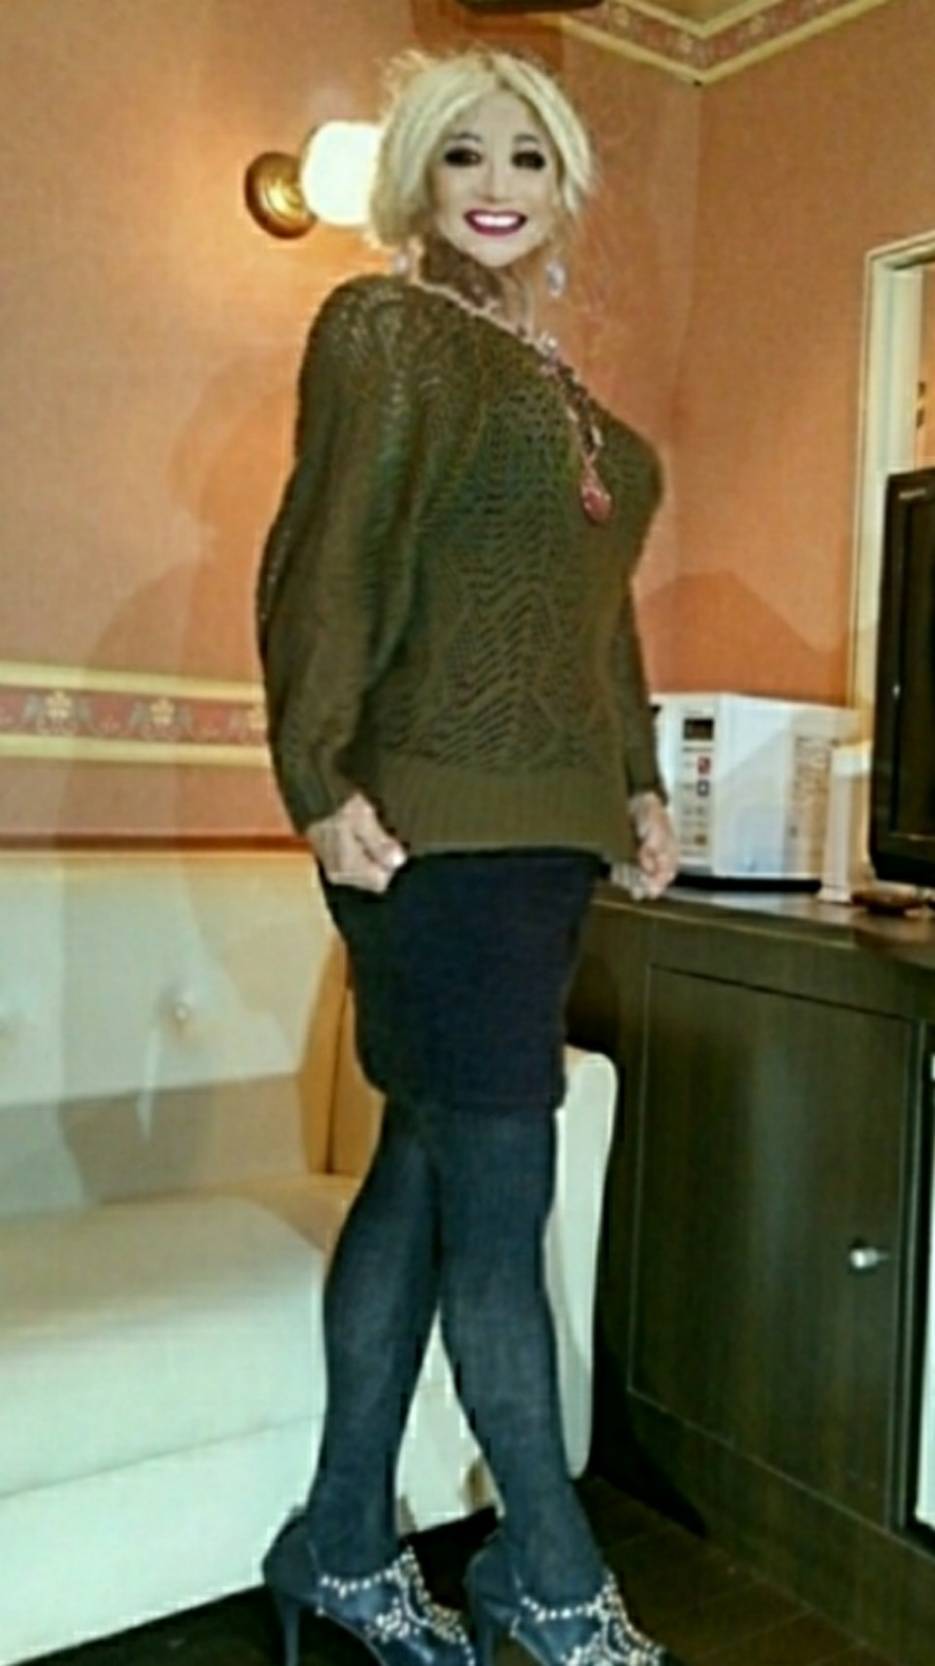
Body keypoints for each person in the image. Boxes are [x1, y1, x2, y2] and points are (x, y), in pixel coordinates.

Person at [256, 45, 681, 1666]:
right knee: (501, 1214)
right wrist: (318, 778)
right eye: (462, 156)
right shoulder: (387, 333)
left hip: (543, 844)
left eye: (526, 158)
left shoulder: (552, 384)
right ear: (417, 179)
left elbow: (598, 622)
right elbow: (326, 561)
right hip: (429, 837)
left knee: (424, 1176)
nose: (496, 185)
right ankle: (548, 1577)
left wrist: (637, 781)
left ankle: (342, 1546)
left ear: (562, 186)